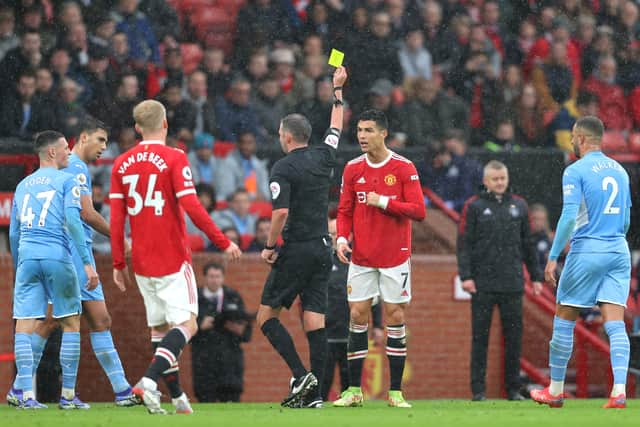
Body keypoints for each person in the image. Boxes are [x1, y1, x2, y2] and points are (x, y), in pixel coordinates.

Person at [109, 99, 242, 415]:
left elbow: (117, 220)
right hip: (171, 258)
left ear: (138, 128)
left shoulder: (121, 163)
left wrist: (118, 263)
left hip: (141, 262)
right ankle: (148, 382)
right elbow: (193, 207)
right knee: (188, 325)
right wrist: (223, 242)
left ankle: (178, 398)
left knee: (161, 331)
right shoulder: (175, 157)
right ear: (165, 123)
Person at [27, 118, 139, 407]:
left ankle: (122, 391)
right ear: (84, 137)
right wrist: (119, 238)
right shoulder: (74, 168)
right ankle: (23, 388)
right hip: (71, 256)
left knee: (100, 320)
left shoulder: (76, 168)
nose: (104, 147)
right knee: (53, 322)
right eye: (100, 140)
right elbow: (86, 214)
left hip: (75, 253)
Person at [256, 66, 347, 409]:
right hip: (324, 247)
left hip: (297, 249)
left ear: (288, 136)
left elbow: (280, 213)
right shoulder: (325, 155)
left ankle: (300, 374)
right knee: (314, 320)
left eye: (281, 134)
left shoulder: (284, 167)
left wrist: (269, 246)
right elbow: (336, 125)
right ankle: (317, 395)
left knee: (266, 318)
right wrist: (338, 90)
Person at [531, 116, 632, 409]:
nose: (572, 141)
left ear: (582, 138)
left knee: (564, 316)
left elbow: (568, 217)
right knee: (615, 324)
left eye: (574, 137)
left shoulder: (575, 170)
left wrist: (552, 257)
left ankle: (556, 389)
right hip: (618, 250)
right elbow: (625, 220)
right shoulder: (621, 171)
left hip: (588, 249)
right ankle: (619, 391)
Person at [333, 109, 426, 408]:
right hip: (361, 256)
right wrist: (343, 238)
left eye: (369, 130)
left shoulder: (403, 167)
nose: (362, 135)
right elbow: (345, 210)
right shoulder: (352, 168)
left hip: (395, 256)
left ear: (383, 133)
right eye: (359, 130)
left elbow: (419, 211)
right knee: (357, 315)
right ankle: (352, 390)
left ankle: (395, 392)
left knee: (395, 318)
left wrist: (384, 201)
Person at [7, 131, 99, 409]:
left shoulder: (23, 185)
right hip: (57, 256)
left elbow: (14, 232)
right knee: (70, 322)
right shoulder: (68, 180)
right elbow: (73, 221)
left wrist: (18, 262)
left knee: (24, 327)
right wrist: (85, 262)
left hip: (27, 257)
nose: (69, 153)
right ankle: (68, 396)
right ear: (51, 153)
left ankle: (24, 395)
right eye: (64, 149)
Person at [457, 160, 543, 402]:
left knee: (514, 340)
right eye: (495, 179)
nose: (499, 183)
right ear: (486, 181)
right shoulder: (473, 206)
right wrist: (466, 276)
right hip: (482, 284)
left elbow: (529, 244)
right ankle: (478, 390)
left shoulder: (520, 206)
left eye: (502, 178)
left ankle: (513, 390)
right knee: (480, 339)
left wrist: (535, 277)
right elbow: (464, 244)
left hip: (513, 283)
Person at [323, 218, 384, 401]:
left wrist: (378, 326)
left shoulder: (359, 262)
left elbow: (373, 296)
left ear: (347, 236)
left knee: (350, 381)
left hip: (353, 331)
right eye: (330, 234)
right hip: (326, 333)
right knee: (323, 380)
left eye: (336, 234)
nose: (333, 238)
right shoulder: (322, 261)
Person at [191, 262, 252, 402]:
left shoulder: (233, 296)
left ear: (223, 278)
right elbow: (184, 332)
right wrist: (200, 325)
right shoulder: (195, 299)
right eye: (211, 276)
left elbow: (246, 332)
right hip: (204, 361)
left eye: (218, 276)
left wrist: (234, 327)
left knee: (232, 404)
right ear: (205, 277)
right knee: (206, 403)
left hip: (229, 361)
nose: (214, 280)